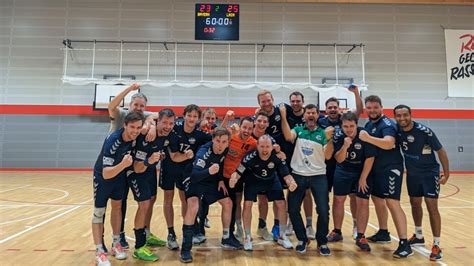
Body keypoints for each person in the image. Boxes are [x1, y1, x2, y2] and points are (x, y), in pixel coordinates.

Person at [106, 83, 162, 249]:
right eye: (135, 105)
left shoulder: (145, 116)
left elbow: (159, 114)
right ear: (129, 105)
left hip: (135, 163)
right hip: (116, 163)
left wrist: (151, 122)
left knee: (149, 199)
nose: (138, 108)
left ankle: (146, 231)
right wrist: (130, 89)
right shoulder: (121, 114)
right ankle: (119, 236)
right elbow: (111, 106)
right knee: (119, 202)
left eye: (141, 106)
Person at [394, 104, 450, 261]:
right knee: (414, 203)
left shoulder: (424, 131)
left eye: (405, 115)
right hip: (412, 175)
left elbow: (441, 151)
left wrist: (446, 173)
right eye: (399, 116)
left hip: (429, 174)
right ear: (395, 117)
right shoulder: (397, 130)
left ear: (411, 115)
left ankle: (436, 245)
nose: (402, 118)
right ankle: (418, 235)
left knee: (432, 207)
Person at [360, 95, 412, 258]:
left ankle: (404, 243)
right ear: (366, 109)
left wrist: (368, 138)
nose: (372, 110)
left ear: (381, 108)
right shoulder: (369, 123)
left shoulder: (387, 124)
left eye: (375, 107)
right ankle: (383, 232)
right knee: (377, 200)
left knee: (392, 202)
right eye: (369, 107)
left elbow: (389, 143)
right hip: (377, 169)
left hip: (390, 169)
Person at [180, 128, 241, 263]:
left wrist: (219, 179)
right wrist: (209, 171)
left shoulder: (225, 149)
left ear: (228, 142)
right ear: (213, 139)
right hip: (193, 178)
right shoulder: (203, 152)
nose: (220, 145)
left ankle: (226, 238)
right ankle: (185, 249)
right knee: (193, 206)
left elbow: (219, 163)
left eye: (224, 142)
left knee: (228, 203)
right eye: (217, 141)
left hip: (210, 179)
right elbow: (195, 176)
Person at [281, 103, 334, 255]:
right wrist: (284, 117)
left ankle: (322, 241)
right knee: (293, 209)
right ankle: (302, 239)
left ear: (318, 115)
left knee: (323, 210)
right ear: (304, 116)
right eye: (308, 113)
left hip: (318, 176)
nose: (311, 115)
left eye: (313, 113)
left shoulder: (324, 133)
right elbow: (287, 136)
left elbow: (328, 156)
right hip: (297, 174)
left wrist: (329, 140)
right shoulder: (298, 130)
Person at [92, 112, 144, 266]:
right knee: (99, 212)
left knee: (117, 208)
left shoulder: (135, 138)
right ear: (125, 126)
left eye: (138, 127)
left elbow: (152, 119)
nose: (135, 130)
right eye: (132, 127)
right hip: (103, 178)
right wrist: (123, 164)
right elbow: (106, 173)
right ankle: (99, 251)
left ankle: (116, 244)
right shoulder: (113, 140)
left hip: (120, 177)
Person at [229, 135, 297, 251]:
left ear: (272, 147)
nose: (264, 150)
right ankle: (248, 237)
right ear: (257, 146)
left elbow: (286, 175)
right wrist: (233, 179)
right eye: (262, 146)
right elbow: (238, 172)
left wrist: (291, 183)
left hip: (271, 180)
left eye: (267, 146)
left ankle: (282, 235)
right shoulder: (250, 157)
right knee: (247, 205)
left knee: (281, 203)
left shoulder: (277, 157)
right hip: (253, 180)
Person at [161, 104, 212, 250]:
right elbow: (174, 156)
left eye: (195, 116)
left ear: (199, 119)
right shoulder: (174, 129)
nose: (191, 118)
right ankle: (171, 233)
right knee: (168, 199)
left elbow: (217, 138)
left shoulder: (200, 135)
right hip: (169, 169)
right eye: (189, 115)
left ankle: (187, 231)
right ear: (184, 116)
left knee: (186, 200)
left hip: (186, 172)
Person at [128, 109, 176, 261]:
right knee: (144, 204)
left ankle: (147, 234)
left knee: (152, 199)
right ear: (158, 121)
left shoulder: (167, 134)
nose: (168, 126)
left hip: (149, 170)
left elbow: (154, 114)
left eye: (171, 123)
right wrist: (150, 160)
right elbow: (136, 167)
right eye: (164, 123)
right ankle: (139, 247)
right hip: (137, 171)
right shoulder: (146, 135)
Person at [318, 85, 363, 240]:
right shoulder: (321, 121)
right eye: (329, 107)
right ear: (325, 110)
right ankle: (326, 228)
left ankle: (356, 226)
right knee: (332, 199)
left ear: (339, 108)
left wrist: (356, 93)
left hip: (343, 164)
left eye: (335, 107)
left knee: (352, 197)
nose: (332, 109)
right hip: (326, 165)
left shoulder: (345, 119)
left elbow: (359, 110)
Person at [330, 112, 376, 252]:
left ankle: (361, 235)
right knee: (338, 200)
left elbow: (370, 157)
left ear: (356, 124)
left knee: (362, 201)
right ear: (341, 126)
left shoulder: (364, 134)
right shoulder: (338, 136)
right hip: (343, 170)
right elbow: (338, 159)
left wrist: (363, 177)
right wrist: (344, 146)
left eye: (351, 126)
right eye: (345, 126)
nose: (348, 129)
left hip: (362, 170)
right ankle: (337, 231)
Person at [281, 91, 315, 239]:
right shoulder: (285, 112)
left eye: (298, 101)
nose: (295, 103)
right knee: (292, 189)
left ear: (303, 101)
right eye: (293, 101)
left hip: (306, 158)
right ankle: (291, 221)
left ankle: (309, 225)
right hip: (289, 158)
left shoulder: (308, 115)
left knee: (307, 192)